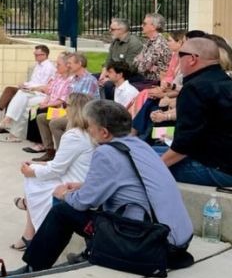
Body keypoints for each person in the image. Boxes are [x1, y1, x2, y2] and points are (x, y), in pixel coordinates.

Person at [21, 100, 193, 272]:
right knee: (100, 203)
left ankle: (34, 267)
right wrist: (84, 185)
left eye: (90, 126)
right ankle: (90, 251)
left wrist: (63, 194)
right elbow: (127, 181)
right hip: (177, 240)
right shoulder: (140, 145)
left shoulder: (106, 152)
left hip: (150, 241)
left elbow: (82, 202)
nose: (88, 130)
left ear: (104, 132)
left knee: (63, 211)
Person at [12, 93, 95, 250]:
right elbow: (64, 163)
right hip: (79, 177)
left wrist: (31, 172)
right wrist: (42, 164)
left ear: (74, 110)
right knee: (35, 169)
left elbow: (57, 169)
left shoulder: (74, 136)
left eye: (66, 105)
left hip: (73, 183)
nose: (64, 108)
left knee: (32, 176)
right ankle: (28, 233)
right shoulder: (88, 133)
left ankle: (29, 224)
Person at [157, 36, 232, 186]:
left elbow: (185, 143)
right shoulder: (224, 82)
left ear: (192, 59)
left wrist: (158, 166)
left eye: (180, 55)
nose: (178, 60)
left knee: (136, 161)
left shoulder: (195, 88)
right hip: (222, 160)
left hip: (218, 170)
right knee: (147, 151)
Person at [0, 45, 56, 121]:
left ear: (44, 55)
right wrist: (24, 84)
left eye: (37, 55)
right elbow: (33, 81)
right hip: (30, 88)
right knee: (9, 92)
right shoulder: (38, 65)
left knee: (10, 91)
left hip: (37, 92)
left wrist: (27, 86)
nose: (35, 57)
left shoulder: (48, 67)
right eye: (34, 54)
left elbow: (42, 84)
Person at [28, 53, 75, 160]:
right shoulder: (58, 77)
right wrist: (45, 102)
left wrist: (47, 105)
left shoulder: (70, 81)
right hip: (52, 105)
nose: (56, 67)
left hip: (60, 109)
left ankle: (47, 147)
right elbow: (49, 92)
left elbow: (61, 100)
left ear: (66, 66)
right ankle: (47, 148)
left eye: (58, 65)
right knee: (35, 110)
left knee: (41, 113)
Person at [98, 19, 144, 101]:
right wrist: (104, 72)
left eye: (112, 29)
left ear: (121, 30)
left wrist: (109, 77)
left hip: (128, 75)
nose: (110, 31)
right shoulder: (115, 41)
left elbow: (128, 67)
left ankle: (110, 109)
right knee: (93, 78)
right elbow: (109, 59)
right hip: (114, 73)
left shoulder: (133, 43)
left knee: (108, 85)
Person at [132, 13, 170, 87]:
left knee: (124, 87)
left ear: (153, 27)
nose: (141, 26)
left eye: (144, 24)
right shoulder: (150, 41)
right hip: (145, 78)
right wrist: (142, 61)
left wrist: (141, 60)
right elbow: (135, 62)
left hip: (155, 82)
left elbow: (142, 68)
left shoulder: (159, 44)